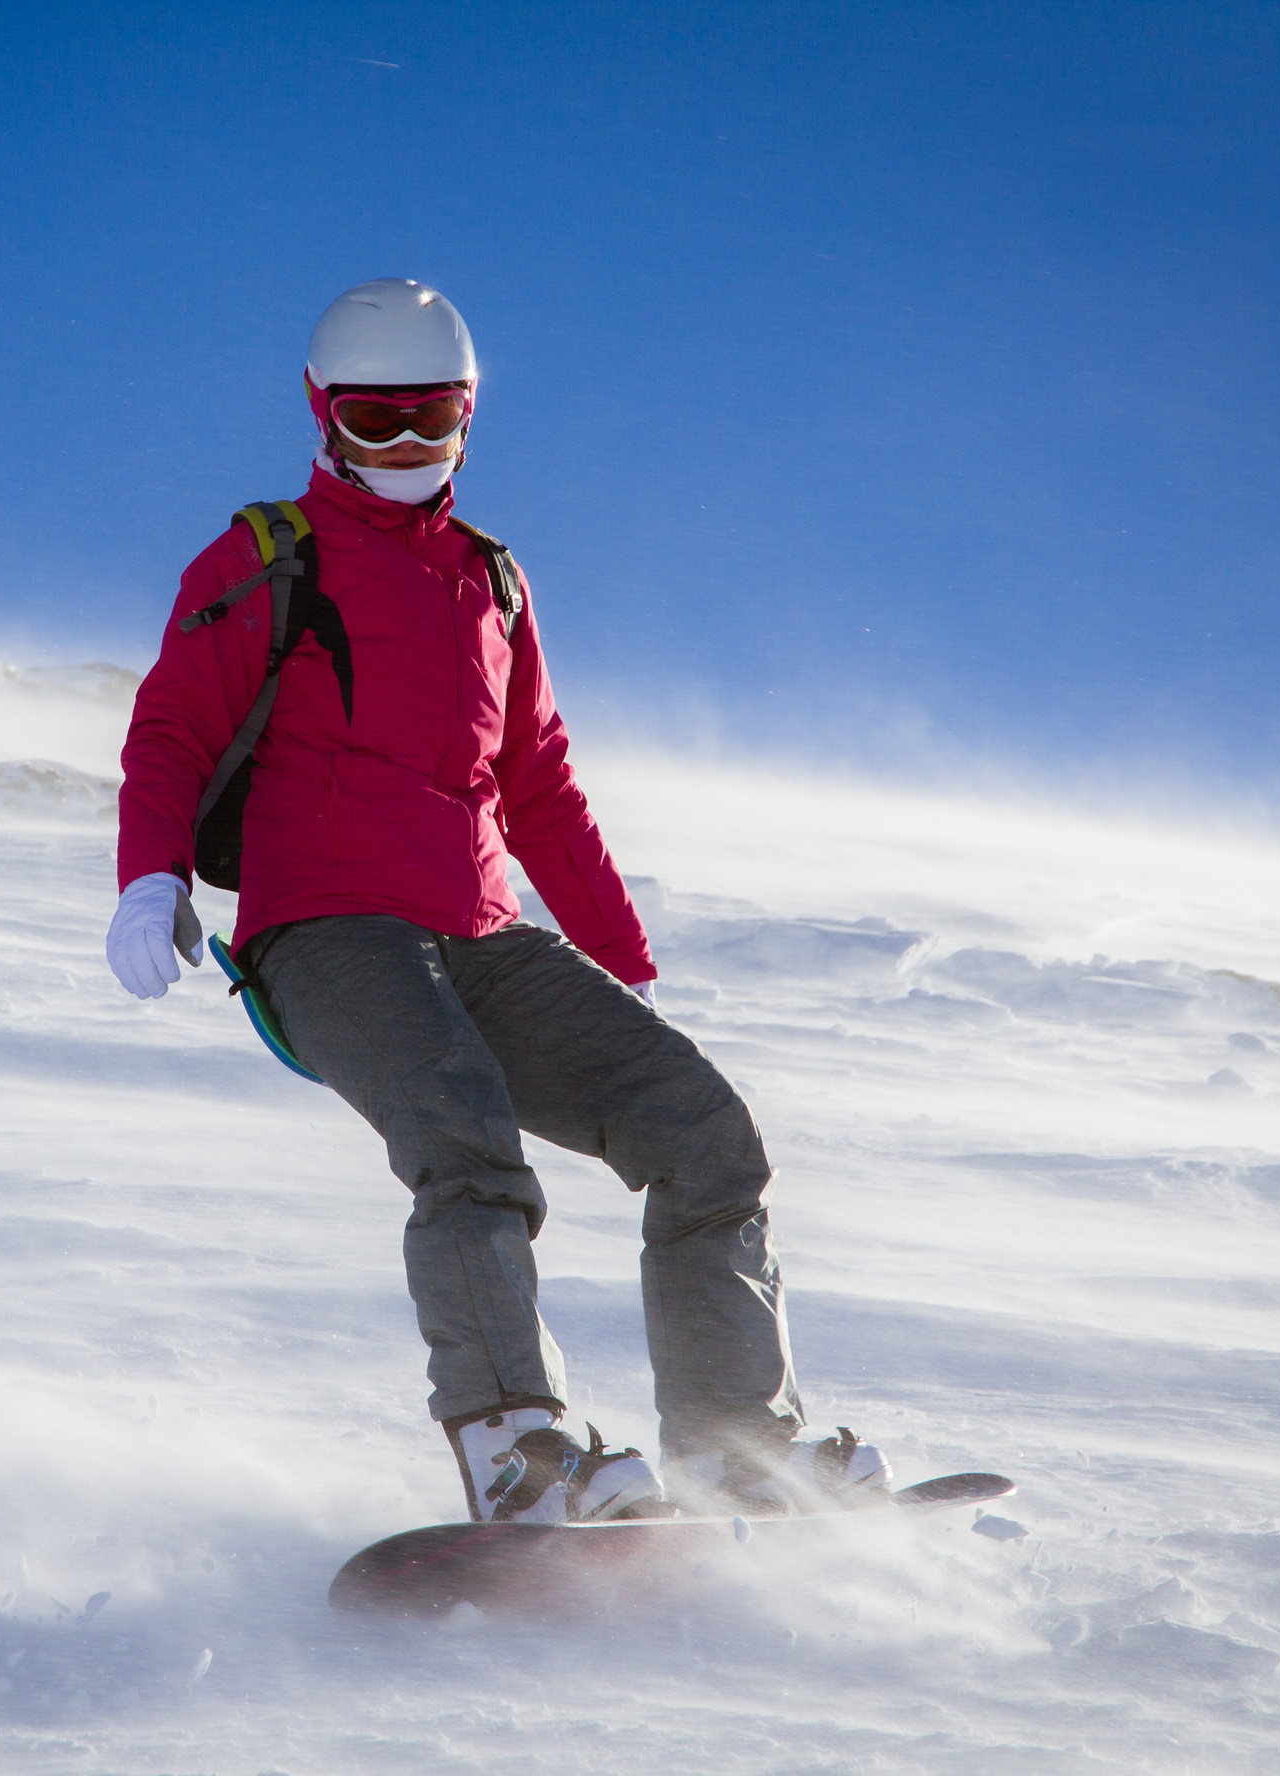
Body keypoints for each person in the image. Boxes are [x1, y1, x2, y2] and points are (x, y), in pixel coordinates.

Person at [105, 278, 888, 1524]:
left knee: (702, 1131)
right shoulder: (268, 555)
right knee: (466, 1146)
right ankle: (518, 1452)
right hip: (327, 931)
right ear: (322, 415)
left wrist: (615, 957)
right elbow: (174, 725)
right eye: (376, 422)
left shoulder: (492, 581)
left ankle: (737, 1445)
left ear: (471, 416)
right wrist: (149, 875)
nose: (407, 447)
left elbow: (538, 781)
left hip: (481, 928)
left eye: (433, 418)